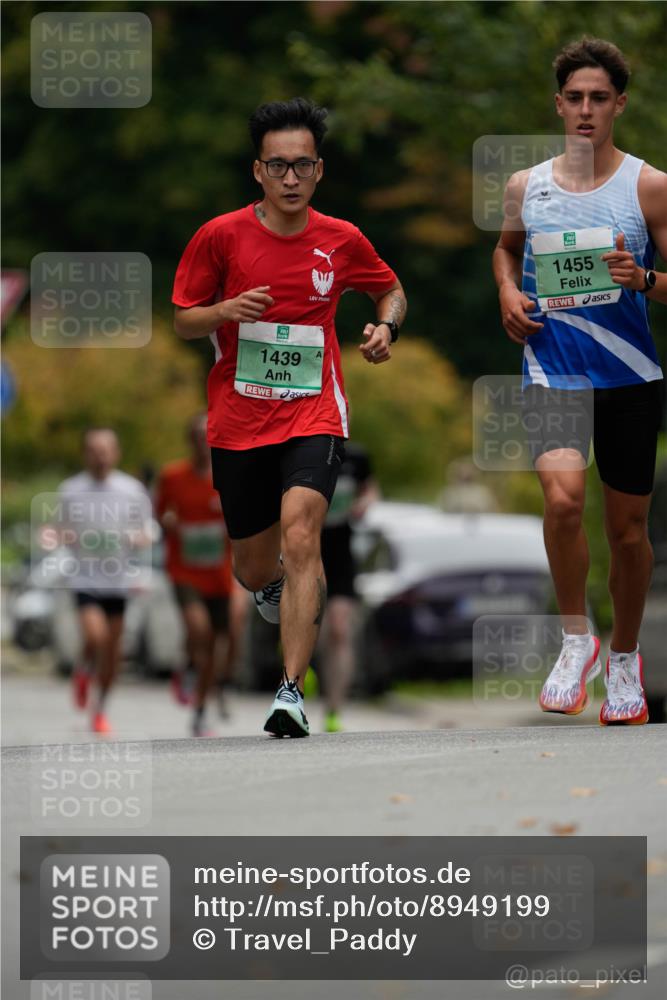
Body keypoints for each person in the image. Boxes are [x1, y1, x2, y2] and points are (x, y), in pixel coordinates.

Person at [172, 98, 406, 737]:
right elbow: (183, 317)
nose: (291, 178)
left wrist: (385, 327)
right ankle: (270, 587)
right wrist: (225, 311)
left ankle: (290, 693)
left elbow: (390, 287)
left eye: (303, 165)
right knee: (251, 566)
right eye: (279, 166)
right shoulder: (220, 236)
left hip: (313, 411)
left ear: (320, 170)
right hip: (239, 421)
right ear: (258, 171)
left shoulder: (342, 238)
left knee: (303, 533)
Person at [493, 37, 666, 725]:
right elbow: (504, 254)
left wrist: (643, 279)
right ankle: (576, 640)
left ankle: (623, 659)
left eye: (599, 98)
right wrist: (506, 294)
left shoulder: (648, 185)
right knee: (563, 503)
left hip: (627, 374)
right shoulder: (524, 186)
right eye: (575, 98)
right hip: (552, 366)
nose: (586, 109)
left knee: (626, 532)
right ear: (557, 103)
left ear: (618, 104)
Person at [63, 428, 151, 734]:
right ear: (85, 454)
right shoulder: (70, 490)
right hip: (85, 580)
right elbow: (54, 529)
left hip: (118, 581)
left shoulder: (132, 490)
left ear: (116, 453)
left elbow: (149, 530)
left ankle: (99, 710)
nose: (100, 456)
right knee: (95, 637)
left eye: (106, 450)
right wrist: (64, 536)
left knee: (112, 653)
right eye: (94, 450)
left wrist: (138, 538)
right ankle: (84, 671)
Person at [155, 413, 237, 737]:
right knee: (199, 631)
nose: (204, 442)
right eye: (198, 436)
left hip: (219, 573)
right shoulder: (173, 476)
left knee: (219, 643)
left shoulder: (229, 473)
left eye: (209, 435)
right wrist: (168, 522)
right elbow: (159, 512)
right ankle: (190, 667)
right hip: (184, 570)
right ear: (190, 441)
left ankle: (201, 709)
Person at [318, 441, 379, 732]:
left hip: (341, 553)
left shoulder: (356, 456)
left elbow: (370, 489)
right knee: (310, 629)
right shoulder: (305, 449)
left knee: (340, 630)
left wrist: (363, 503)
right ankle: (300, 679)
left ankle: (334, 707)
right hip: (306, 550)